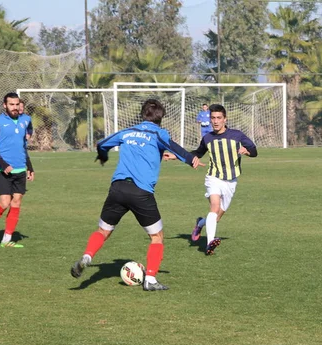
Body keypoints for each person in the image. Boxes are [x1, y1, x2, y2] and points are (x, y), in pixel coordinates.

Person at [71, 99, 203, 291]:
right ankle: (150, 280)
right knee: (157, 237)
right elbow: (176, 149)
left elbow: (103, 144)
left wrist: (103, 155)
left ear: (142, 114)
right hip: (141, 193)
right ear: (161, 117)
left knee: (103, 231)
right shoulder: (158, 133)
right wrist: (192, 160)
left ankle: (88, 256)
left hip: (117, 189)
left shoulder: (127, 132)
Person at [165, 104, 258, 255]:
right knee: (214, 208)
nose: (215, 121)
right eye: (213, 118)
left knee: (217, 217)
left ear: (225, 119)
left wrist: (246, 152)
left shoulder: (237, 135)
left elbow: (254, 151)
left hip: (231, 181)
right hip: (213, 177)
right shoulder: (207, 138)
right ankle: (210, 244)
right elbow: (197, 153)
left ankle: (200, 223)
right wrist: (175, 156)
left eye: (218, 118)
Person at [0, 93, 35, 248]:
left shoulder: (25, 120)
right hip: (3, 170)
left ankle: (6, 239)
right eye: (11, 104)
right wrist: (3, 164)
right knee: (4, 203)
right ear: (5, 105)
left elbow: (24, 145)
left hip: (20, 170)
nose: (15, 107)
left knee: (16, 203)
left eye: (17, 104)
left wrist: (30, 167)